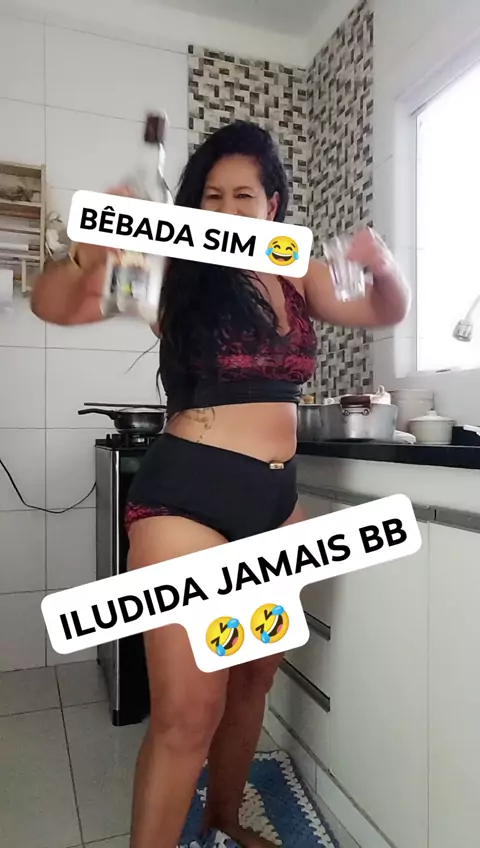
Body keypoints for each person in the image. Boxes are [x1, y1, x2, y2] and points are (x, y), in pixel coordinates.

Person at [31, 120, 410, 848]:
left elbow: (382, 310)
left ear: (272, 205)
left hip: (275, 507)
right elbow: (55, 304)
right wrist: (88, 248)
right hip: (186, 504)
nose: (228, 209)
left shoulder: (300, 273)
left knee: (251, 683)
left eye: (244, 195)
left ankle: (224, 818)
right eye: (212, 196)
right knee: (186, 717)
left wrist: (383, 267)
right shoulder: (173, 271)